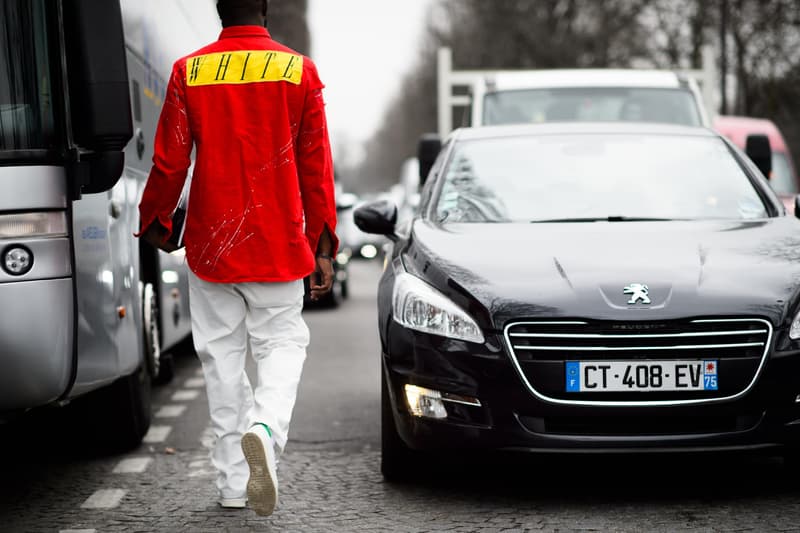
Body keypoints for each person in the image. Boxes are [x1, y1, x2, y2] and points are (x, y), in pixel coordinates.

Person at [136, 0, 338, 517]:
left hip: (212, 247)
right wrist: (323, 244)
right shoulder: (299, 71)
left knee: (221, 362)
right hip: (277, 244)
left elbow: (168, 160)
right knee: (283, 344)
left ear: (220, 11)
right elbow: (315, 169)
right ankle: (265, 431)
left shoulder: (190, 72)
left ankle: (229, 482)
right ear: (266, 12)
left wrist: (155, 220)